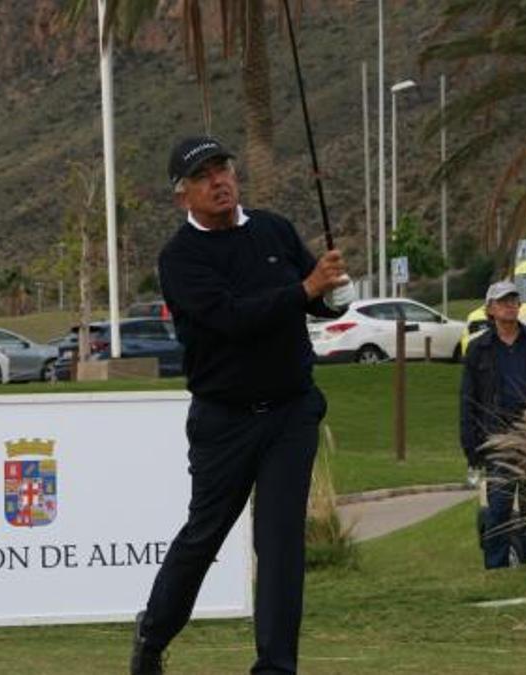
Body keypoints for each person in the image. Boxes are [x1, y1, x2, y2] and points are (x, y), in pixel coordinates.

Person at [130, 136, 352, 675]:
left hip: (290, 413)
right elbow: (233, 319)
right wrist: (305, 290)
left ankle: (276, 668)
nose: (219, 181)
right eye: (203, 176)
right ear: (183, 196)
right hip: (224, 420)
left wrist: (332, 290)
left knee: (280, 547)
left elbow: (316, 299)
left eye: (223, 168)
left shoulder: (274, 230)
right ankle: (153, 635)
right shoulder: (179, 258)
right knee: (203, 537)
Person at [459, 281, 526, 569]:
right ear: (490, 309)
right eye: (503, 301)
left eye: (514, 299)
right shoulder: (478, 349)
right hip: (497, 437)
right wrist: (471, 446)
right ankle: (496, 569)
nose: (510, 305)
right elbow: (468, 401)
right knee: (498, 508)